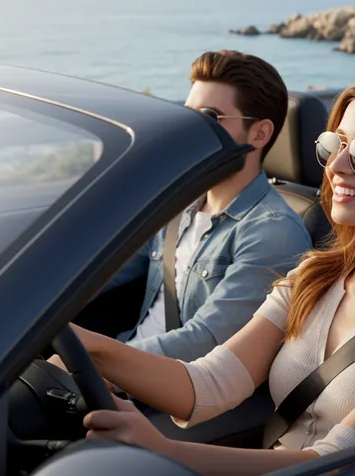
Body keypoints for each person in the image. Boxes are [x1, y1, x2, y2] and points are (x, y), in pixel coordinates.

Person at [67, 74, 355, 476]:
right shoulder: (312, 277)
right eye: (336, 145)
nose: (338, 166)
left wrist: (167, 453)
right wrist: (83, 346)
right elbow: (208, 385)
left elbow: (334, 465)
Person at [73, 50, 312, 363]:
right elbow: (101, 271)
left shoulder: (272, 232)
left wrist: (98, 361)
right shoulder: (180, 204)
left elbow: (206, 342)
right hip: (120, 365)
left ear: (260, 134)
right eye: (190, 114)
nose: (194, 128)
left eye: (210, 117)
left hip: (158, 394)